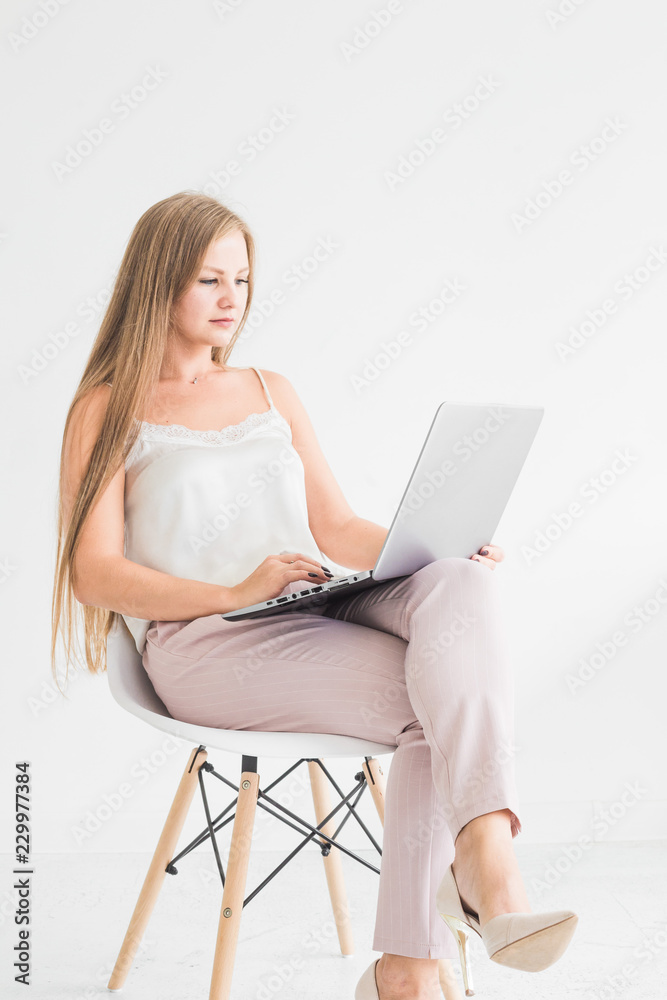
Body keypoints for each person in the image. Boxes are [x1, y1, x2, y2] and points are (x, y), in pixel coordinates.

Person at [52, 191, 578, 999]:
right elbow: (93, 573)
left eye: (243, 279)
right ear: (157, 283)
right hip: (207, 644)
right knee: (427, 704)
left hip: (310, 603)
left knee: (460, 581)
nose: (232, 299)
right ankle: (424, 950)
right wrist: (231, 589)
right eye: (208, 280)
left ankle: (475, 863)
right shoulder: (106, 408)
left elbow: (333, 527)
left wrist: (439, 541)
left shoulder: (270, 387)